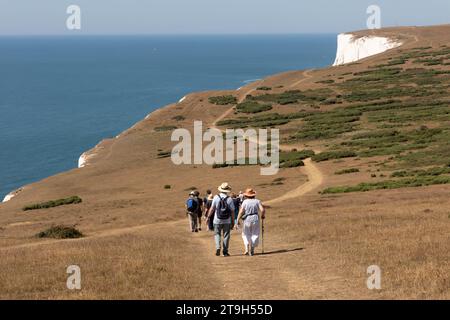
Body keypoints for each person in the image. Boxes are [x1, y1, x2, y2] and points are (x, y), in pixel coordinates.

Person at [207, 182, 235, 257]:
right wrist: (233, 221)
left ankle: (218, 247)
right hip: (227, 220)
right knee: (226, 236)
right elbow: (232, 212)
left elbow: (212, 209)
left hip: (217, 220)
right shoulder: (230, 199)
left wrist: (208, 217)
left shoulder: (216, 197)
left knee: (217, 234)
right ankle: (225, 251)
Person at [237, 188, 265, 256]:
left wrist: (237, 220)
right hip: (255, 218)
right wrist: (262, 216)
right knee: (255, 233)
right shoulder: (257, 201)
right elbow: (262, 210)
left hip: (247, 219)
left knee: (245, 234)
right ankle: (252, 249)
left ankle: (246, 249)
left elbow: (241, 212)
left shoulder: (245, 202)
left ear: (246, 195)